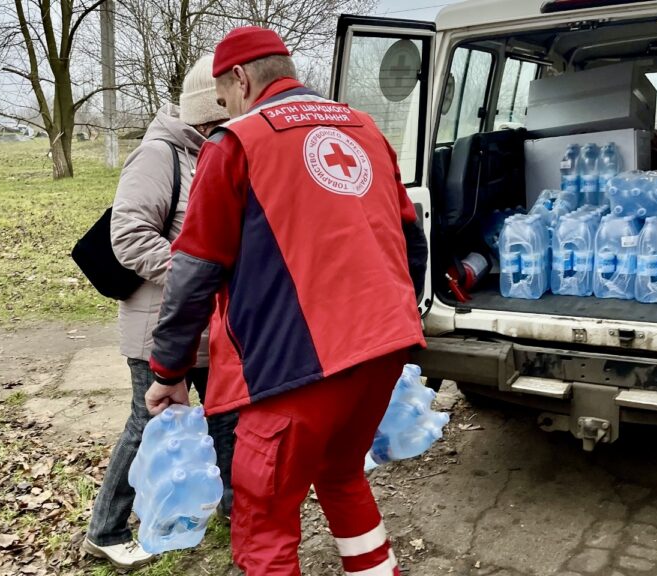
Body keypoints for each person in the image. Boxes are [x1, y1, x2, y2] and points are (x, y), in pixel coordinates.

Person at [145, 27, 429, 576]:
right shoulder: (365, 129)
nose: (225, 113)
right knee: (343, 475)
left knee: (263, 517)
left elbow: (194, 270)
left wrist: (168, 370)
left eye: (224, 101)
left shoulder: (235, 144)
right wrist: (397, 321)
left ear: (241, 79)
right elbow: (409, 242)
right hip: (384, 349)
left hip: (295, 369)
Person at [82, 54, 237, 571]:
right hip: (158, 323)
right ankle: (106, 529)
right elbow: (127, 238)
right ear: (204, 115)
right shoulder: (160, 155)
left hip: (207, 325)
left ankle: (233, 512)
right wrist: (195, 275)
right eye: (222, 119)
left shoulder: (214, 155)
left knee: (225, 417)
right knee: (147, 425)